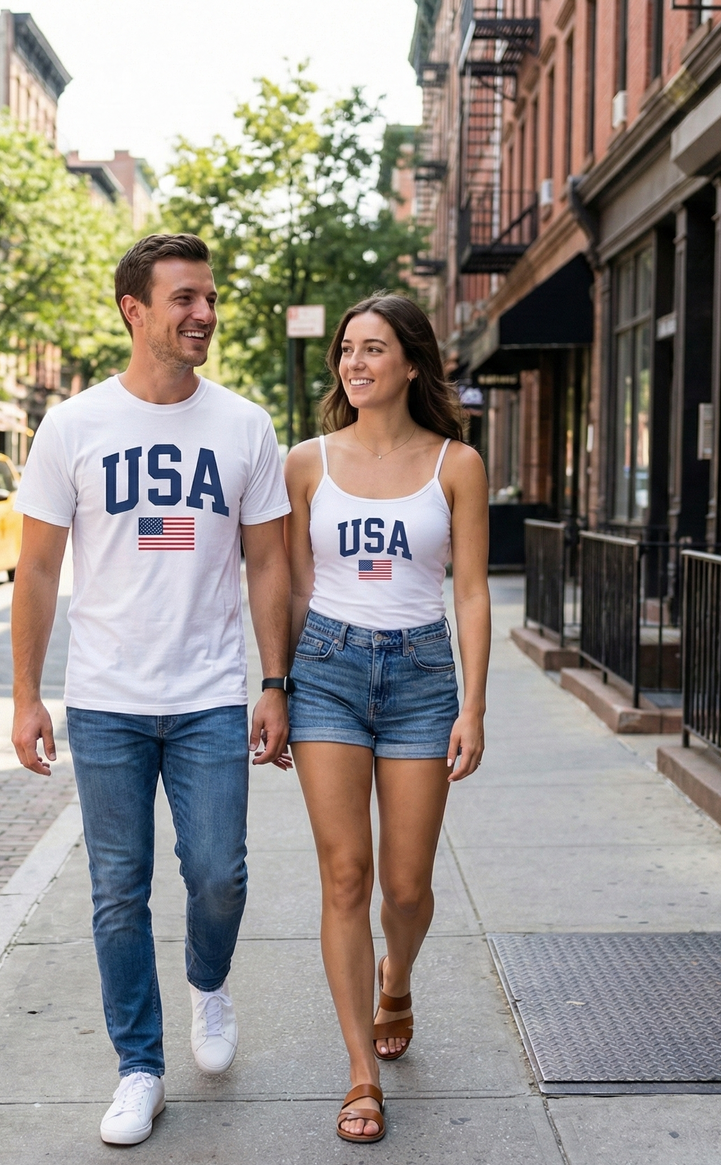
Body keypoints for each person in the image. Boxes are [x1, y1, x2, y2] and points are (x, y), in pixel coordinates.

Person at [10, 234, 292, 1147]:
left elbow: (268, 567)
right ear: (135, 310)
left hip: (210, 692)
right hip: (105, 701)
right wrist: (26, 693)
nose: (203, 312)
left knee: (218, 873)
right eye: (184, 299)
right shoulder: (74, 427)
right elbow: (40, 570)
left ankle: (208, 985)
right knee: (115, 890)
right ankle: (140, 1066)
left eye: (209, 297)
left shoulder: (244, 426)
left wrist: (275, 680)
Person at [283, 292, 490, 1144]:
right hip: (327, 669)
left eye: (373, 349)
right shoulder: (305, 462)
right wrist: (279, 686)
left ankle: (396, 972)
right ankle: (361, 1075)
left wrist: (473, 703)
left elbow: (471, 593)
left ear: (411, 361)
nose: (355, 364)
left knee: (406, 886)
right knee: (345, 875)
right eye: (345, 351)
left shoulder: (457, 464)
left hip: (420, 674)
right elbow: (293, 587)